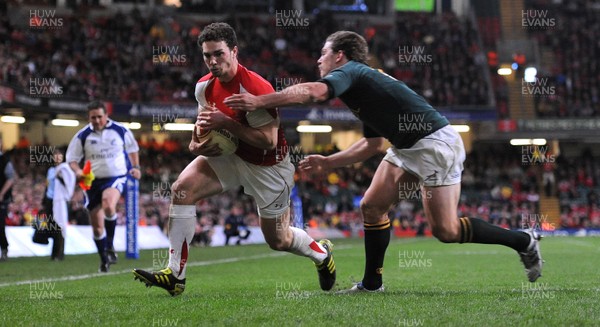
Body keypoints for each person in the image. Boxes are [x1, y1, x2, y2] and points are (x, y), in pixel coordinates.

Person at [224, 30, 543, 292]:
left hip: (433, 144)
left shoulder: (352, 72)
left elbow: (313, 93)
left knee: (445, 231)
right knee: (372, 206)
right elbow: (374, 144)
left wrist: (259, 100)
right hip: (406, 147)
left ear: (340, 55)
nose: (319, 59)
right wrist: (328, 163)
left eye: (324, 52)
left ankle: (523, 241)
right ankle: (372, 284)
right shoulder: (361, 86)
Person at [132, 22, 336, 296]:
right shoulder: (204, 87)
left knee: (279, 239)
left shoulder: (255, 87)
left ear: (234, 51)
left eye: (218, 54)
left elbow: (268, 141)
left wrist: (226, 123)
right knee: (181, 190)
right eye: (207, 56)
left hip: (268, 166)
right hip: (230, 155)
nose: (213, 62)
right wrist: (195, 142)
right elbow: (202, 124)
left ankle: (321, 255)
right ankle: (175, 276)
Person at [66, 101, 141, 272]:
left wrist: (136, 167)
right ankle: (104, 259)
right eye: (93, 117)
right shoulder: (82, 136)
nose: (97, 120)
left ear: (106, 115)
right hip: (92, 182)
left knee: (108, 204)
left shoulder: (120, 130)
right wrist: (77, 171)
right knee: (97, 226)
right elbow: (71, 159)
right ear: (89, 118)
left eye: (100, 116)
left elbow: (132, 149)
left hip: (115, 177)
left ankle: (110, 245)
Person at [35, 148, 75, 260]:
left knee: (59, 226)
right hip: (50, 200)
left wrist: (61, 178)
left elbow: (69, 184)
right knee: (52, 226)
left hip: (60, 200)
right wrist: (44, 201)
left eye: (59, 155)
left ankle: (59, 253)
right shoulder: (51, 170)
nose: (57, 158)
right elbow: (48, 185)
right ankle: (54, 253)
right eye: (55, 155)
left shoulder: (65, 170)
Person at [0, 138, 15, 261]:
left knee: (0, 226)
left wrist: (1, 193)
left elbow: (10, 179)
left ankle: (4, 249)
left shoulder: (5, 161)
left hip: (2, 200)